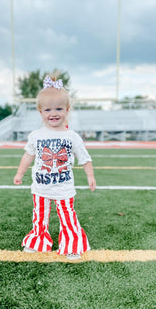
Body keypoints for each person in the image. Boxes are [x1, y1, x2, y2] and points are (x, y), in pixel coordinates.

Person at [13, 74, 96, 260]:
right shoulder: (36, 135)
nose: (54, 113)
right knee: (39, 217)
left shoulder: (72, 136)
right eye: (48, 109)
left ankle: (72, 244)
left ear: (67, 110)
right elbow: (28, 156)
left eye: (59, 108)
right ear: (40, 111)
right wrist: (20, 174)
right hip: (41, 186)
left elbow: (84, 158)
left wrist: (90, 176)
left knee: (67, 217)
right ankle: (38, 240)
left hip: (63, 187)